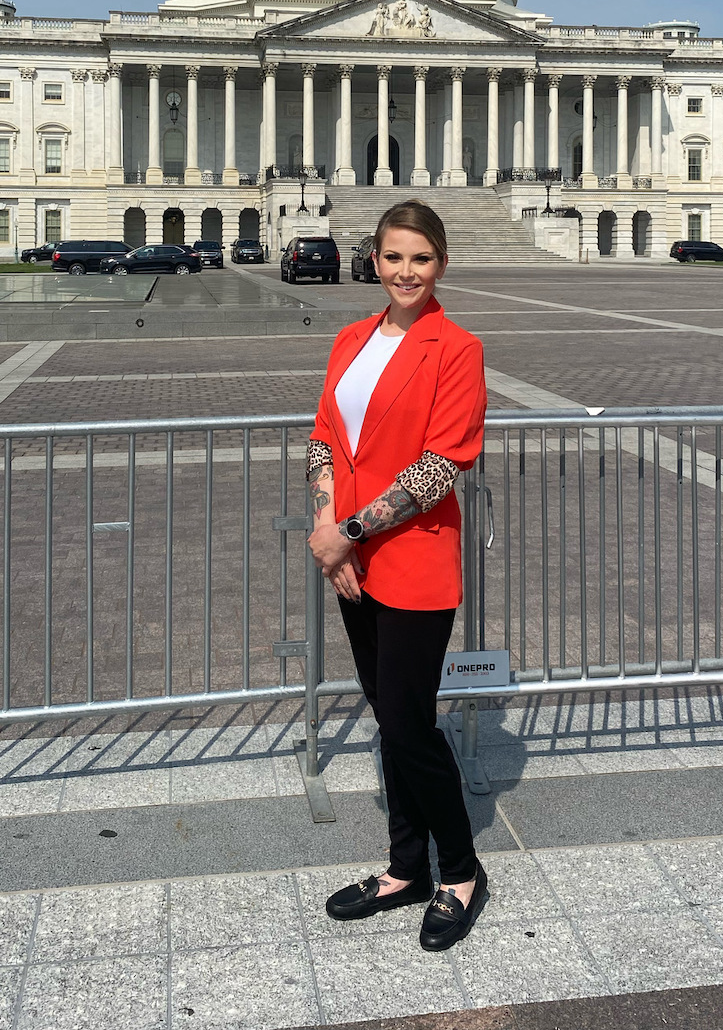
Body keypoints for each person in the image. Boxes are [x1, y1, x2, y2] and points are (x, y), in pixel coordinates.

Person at [307, 199, 488, 951]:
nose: (406, 271)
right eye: (393, 257)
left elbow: (440, 465)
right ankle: (406, 865)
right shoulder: (351, 338)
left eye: (420, 257)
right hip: (352, 559)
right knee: (388, 716)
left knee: (412, 726)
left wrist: (346, 533)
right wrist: (327, 528)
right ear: (373, 262)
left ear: (440, 262)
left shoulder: (458, 347)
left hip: (412, 557)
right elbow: (323, 438)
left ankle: (463, 871)